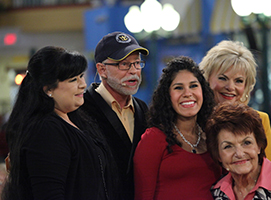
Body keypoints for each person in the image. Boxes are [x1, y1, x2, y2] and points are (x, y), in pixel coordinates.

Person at [2, 46, 120, 200]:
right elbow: (49, 194)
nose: (83, 84)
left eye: (81, 76)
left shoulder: (77, 119)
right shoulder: (46, 130)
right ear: (48, 89)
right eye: (73, 80)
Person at [134, 56, 222, 200]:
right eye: (178, 88)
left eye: (193, 86)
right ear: (168, 96)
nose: (187, 93)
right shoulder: (154, 138)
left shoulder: (213, 135)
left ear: (203, 91)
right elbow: (143, 195)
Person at [79, 31, 149, 200]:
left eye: (137, 63)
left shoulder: (142, 110)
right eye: (124, 65)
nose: (133, 71)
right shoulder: (82, 108)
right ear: (102, 69)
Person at [199, 40, 271, 167]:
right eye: (222, 78)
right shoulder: (194, 122)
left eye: (239, 81)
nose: (230, 87)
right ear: (207, 79)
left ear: (246, 87)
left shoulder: (260, 120)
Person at [206, 102, 271, 200]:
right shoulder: (216, 193)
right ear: (218, 155)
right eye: (228, 146)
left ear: (259, 146)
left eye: (246, 143)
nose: (239, 154)